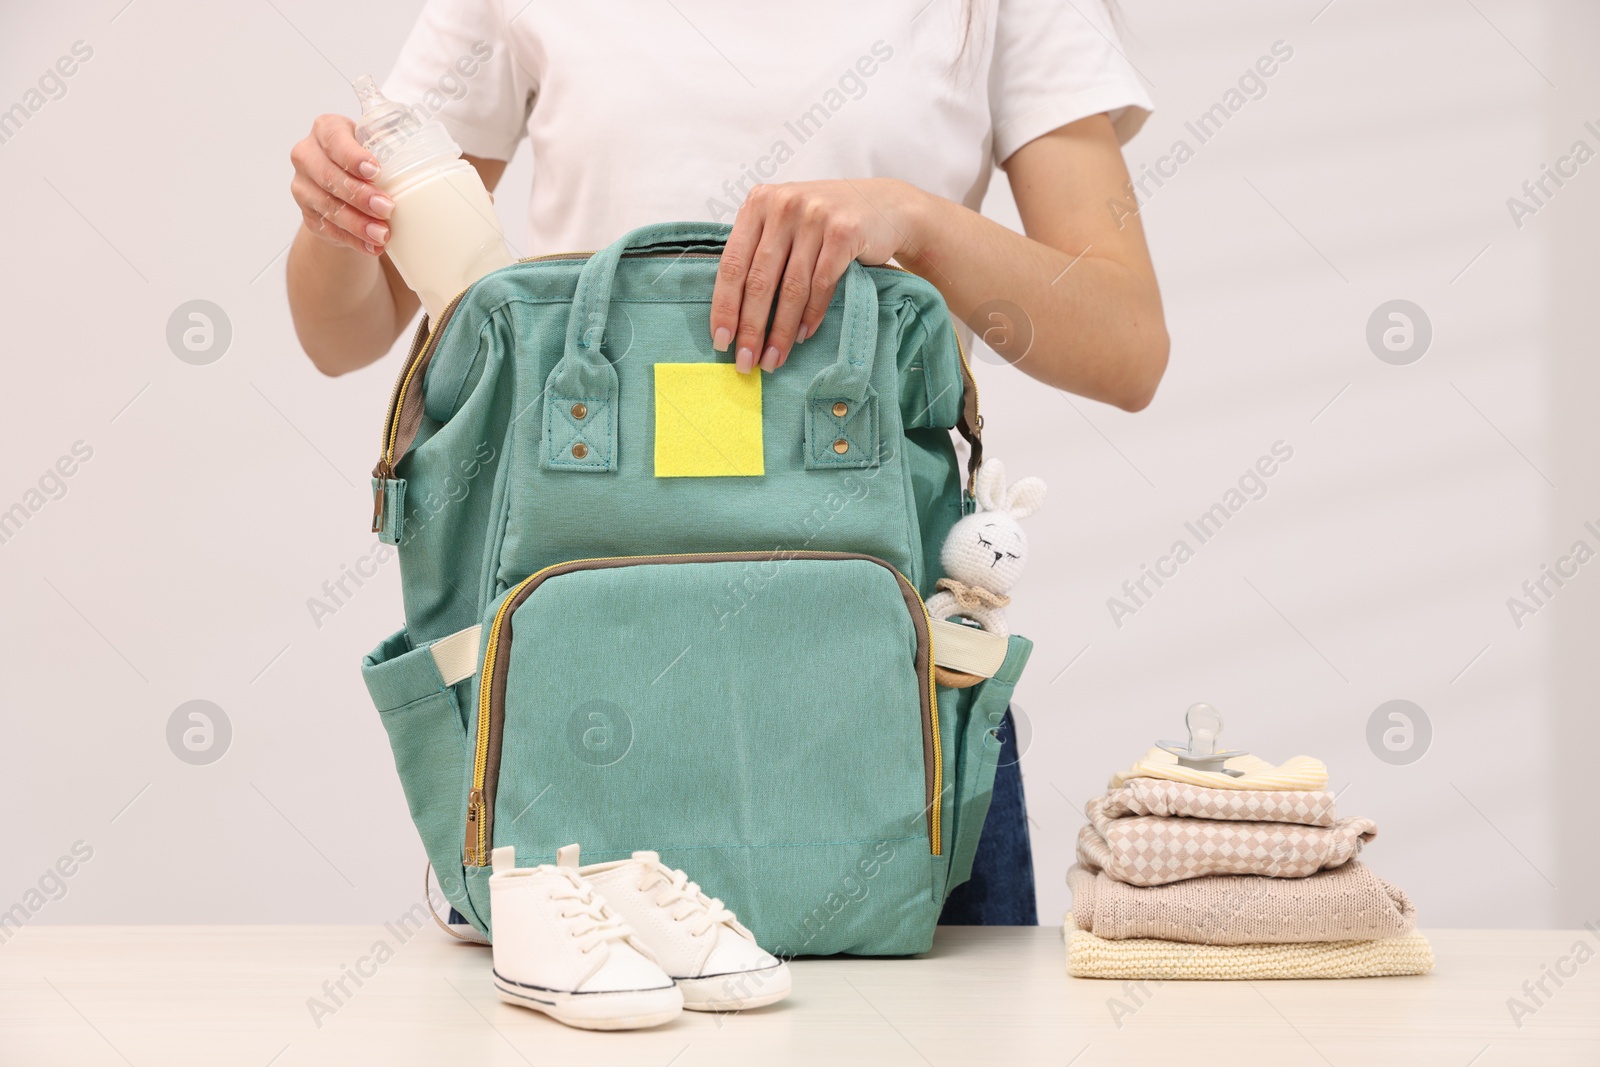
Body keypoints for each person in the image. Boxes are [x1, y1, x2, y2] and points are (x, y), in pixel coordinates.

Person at [286, 0, 1168, 927]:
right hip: (572, 716)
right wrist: (336, 215)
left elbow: (1127, 345)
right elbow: (343, 331)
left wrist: (911, 219)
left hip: (896, 719)